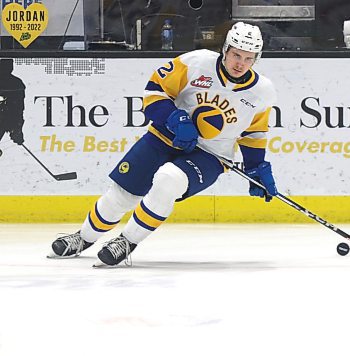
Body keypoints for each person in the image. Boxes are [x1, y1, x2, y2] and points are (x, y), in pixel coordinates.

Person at [49, 22, 278, 266]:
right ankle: (83, 237)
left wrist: (256, 167)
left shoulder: (262, 92)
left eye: (248, 58)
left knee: (169, 180)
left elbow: (254, 133)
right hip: (164, 137)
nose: (240, 63)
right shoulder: (196, 63)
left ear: (256, 59)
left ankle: (127, 241)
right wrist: (174, 118)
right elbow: (154, 92)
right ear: (225, 50)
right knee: (122, 195)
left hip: (211, 155)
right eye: (236, 55)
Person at [0, 59, 26, 146]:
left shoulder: (17, 84)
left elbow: (19, 109)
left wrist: (17, 130)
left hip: (8, 118)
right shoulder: (17, 83)